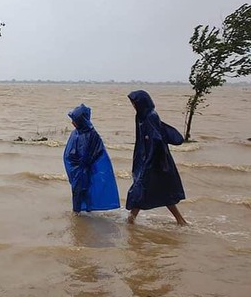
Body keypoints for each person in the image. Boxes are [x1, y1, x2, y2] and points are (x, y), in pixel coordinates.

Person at [125, 90, 188, 225]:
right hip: (149, 159)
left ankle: (131, 219)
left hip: (155, 160)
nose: (133, 106)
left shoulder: (149, 117)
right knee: (157, 189)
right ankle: (180, 220)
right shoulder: (142, 116)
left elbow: (156, 140)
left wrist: (148, 162)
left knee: (142, 187)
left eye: (134, 103)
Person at [63, 104, 120, 213]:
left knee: (83, 190)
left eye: (74, 120)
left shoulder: (92, 135)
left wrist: (84, 163)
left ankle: (80, 213)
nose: (72, 122)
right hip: (77, 170)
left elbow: (97, 152)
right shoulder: (75, 133)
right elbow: (69, 151)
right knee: (77, 191)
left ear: (81, 121)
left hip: (86, 169)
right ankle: (80, 213)